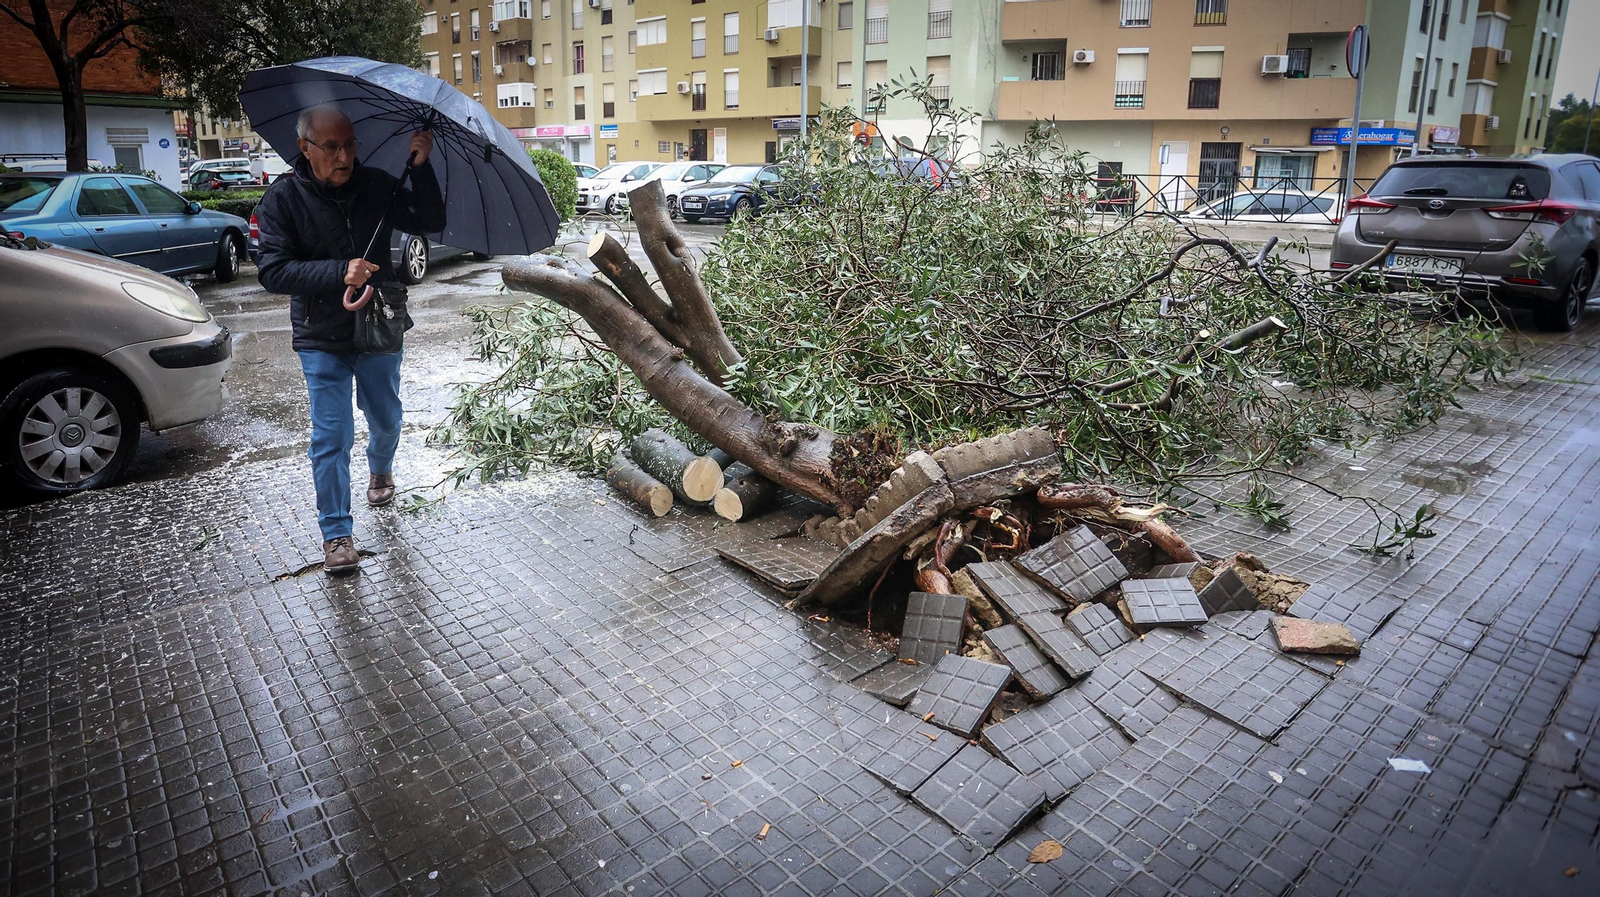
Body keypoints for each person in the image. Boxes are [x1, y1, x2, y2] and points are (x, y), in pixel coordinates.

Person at [255, 106, 446, 574]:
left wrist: (420, 169)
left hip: (378, 325)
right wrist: (338, 270)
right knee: (331, 436)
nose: (344, 156)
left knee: (386, 417)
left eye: (350, 145)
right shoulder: (282, 199)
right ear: (306, 148)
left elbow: (431, 218)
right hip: (321, 334)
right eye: (332, 147)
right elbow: (272, 270)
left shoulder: (379, 184)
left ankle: (381, 466)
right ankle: (337, 533)